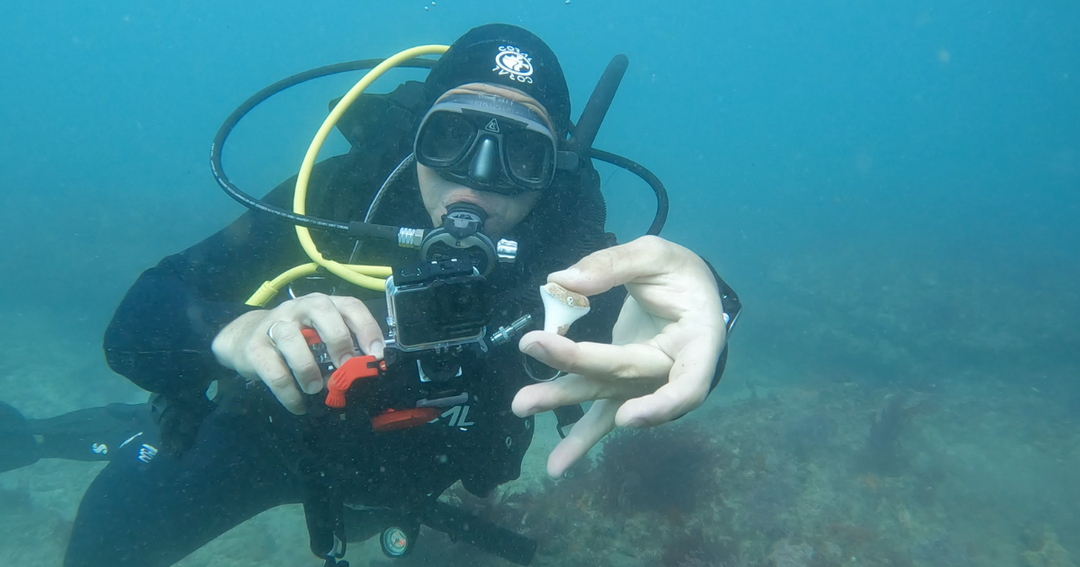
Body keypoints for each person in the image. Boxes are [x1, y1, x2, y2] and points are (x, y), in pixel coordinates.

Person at [3, 23, 740, 567]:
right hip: (256, 444)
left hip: (397, 487)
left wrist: (711, 312)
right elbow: (137, 321)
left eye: (521, 153)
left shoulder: (567, 261)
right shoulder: (337, 202)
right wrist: (238, 332)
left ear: (553, 173)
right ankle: (41, 436)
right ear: (415, 136)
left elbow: (667, 336)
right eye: (452, 137)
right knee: (111, 534)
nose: (476, 179)